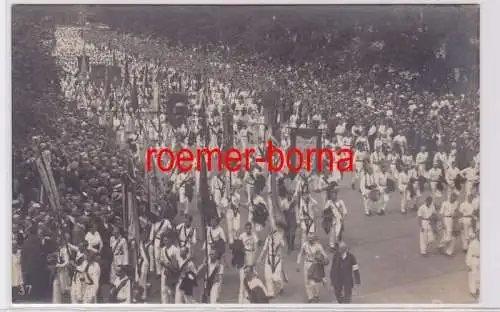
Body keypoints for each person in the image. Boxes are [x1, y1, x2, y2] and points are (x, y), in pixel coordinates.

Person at [256, 222, 286, 298]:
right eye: (271, 229)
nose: (272, 231)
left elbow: (283, 245)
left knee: (275, 277)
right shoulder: (268, 238)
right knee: (268, 277)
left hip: (277, 259)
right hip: (269, 258)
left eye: (273, 229)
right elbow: (264, 249)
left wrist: (279, 237)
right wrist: (260, 258)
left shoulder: (279, 237)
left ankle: (281, 286)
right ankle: (270, 293)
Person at [296, 233, 327, 303]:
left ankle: (316, 295)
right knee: (306, 281)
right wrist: (298, 263)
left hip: (314, 265)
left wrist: (325, 259)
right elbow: (300, 254)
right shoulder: (305, 245)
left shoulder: (318, 246)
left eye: (311, 239)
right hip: (306, 264)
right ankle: (310, 297)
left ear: (314, 239)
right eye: (309, 239)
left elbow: (324, 255)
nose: (310, 240)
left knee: (314, 283)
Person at [465, 229, 480, 299]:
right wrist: (468, 264)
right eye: (479, 234)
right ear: (477, 235)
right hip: (474, 260)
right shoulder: (473, 243)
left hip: (480, 260)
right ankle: (472, 291)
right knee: (473, 276)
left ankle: (477, 288)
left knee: (478, 276)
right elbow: (469, 254)